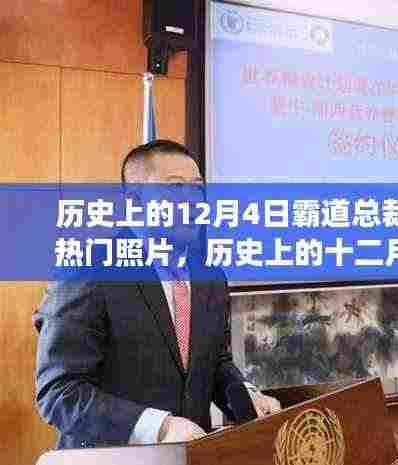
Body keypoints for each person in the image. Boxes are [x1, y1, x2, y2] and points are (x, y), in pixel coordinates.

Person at [34, 140, 280, 449]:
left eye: (197, 188)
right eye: (175, 188)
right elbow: (60, 392)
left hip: (193, 455)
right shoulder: (88, 270)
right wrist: (159, 427)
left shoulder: (210, 274)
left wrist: (247, 397)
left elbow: (213, 361)